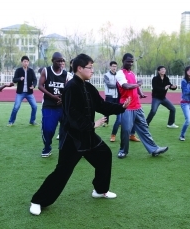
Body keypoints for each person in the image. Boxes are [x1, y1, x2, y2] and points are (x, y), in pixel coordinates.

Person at [29, 54, 131, 216]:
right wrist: (93, 124)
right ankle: (38, 200)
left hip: (88, 136)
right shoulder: (71, 87)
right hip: (73, 139)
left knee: (105, 155)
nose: (92, 71)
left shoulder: (88, 87)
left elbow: (101, 105)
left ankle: (100, 190)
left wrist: (121, 107)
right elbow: (71, 115)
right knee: (62, 171)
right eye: (90, 67)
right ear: (79, 68)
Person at [115, 53, 169, 159]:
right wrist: (137, 85)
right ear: (123, 61)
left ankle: (154, 149)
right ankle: (123, 151)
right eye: (128, 61)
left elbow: (135, 86)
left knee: (144, 128)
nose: (130, 63)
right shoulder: (120, 73)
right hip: (127, 106)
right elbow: (126, 86)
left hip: (137, 106)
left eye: (131, 61)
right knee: (126, 130)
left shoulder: (132, 74)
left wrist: (140, 92)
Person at [38, 52, 67, 158]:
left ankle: (64, 148)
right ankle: (47, 147)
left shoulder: (66, 74)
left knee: (67, 128)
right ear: (52, 60)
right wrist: (52, 96)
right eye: (58, 60)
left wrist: (62, 98)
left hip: (62, 106)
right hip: (49, 104)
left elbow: (69, 89)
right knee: (48, 129)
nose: (60, 62)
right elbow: (40, 86)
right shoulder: (46, 71)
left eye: (62, 60)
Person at [103, 61, 138, 142]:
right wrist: (121, 84)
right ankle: (108, 125)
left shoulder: (119, 74)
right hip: (110, 96)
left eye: (115, 66)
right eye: (113, 66)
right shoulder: (106, 75)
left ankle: (130, 135)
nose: (114, 68)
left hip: (119, 98)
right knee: (106, 111)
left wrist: (123, 84)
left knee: (120, 119)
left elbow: (128, 84)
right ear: (110, 67)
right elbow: (109, 85)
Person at [7, 56, 38, 126]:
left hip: (29, 93)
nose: (26, 63)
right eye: (24, 61)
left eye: (27, 61)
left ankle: (32, 121)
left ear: (28, 62)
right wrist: (19, 79)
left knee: (35, 106)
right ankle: (11, 121)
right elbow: (14, 80)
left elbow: (35, 80)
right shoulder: (18, 70)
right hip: (20, 93)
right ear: (22, 62)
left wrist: (33, 85)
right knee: (16, 107)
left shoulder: (31, 71)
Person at [179, 66, 190, 141]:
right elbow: (185, 92)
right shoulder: (184, 81)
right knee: (188, 120)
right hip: (185, 103)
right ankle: (182, 135)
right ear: (186, 72)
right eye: (188, 70)